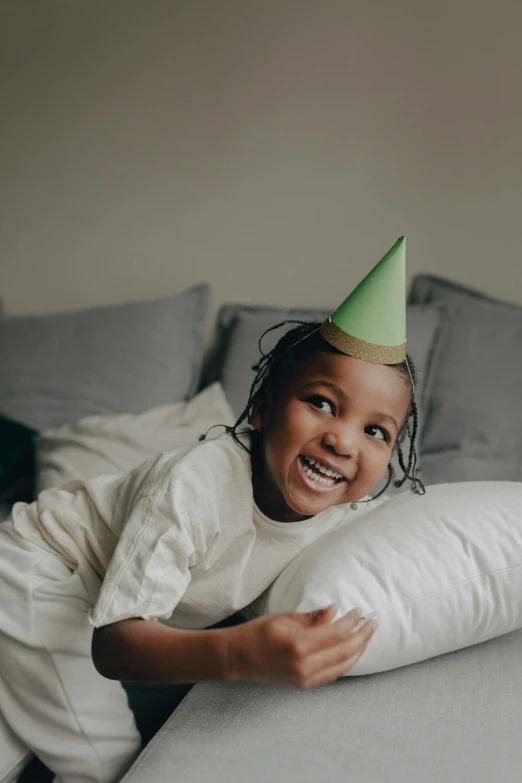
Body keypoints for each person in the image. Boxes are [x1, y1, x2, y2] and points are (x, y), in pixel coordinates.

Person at [0, 237, 425, 783]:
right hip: (38, 572)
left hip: (71, 596)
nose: (343, 441)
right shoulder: (196, 483)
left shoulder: (349, 509)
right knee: (107, 760)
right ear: (263, 409)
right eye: (321, 403)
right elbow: (116, 643)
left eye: (375, 431)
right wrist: (239, 654)